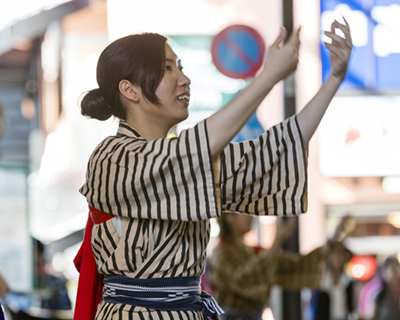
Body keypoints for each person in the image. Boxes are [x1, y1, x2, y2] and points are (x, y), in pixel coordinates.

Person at [74, 17, 352, 320]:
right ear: (129, 89)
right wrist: (267, 78)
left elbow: (270, 153)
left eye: (180, 66)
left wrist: (334, 79)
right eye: (168, 68)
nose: (184, 79)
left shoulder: (185, 159)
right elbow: (192, 150)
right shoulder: (111, 158)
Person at [208, 214, 327, 320]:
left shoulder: (247, 250)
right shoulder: (221, 252)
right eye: (245, 213)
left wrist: (325, 250)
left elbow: (286, 265)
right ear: (229, 217)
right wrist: (276, 242)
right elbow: (246, 278)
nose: (251, 216)